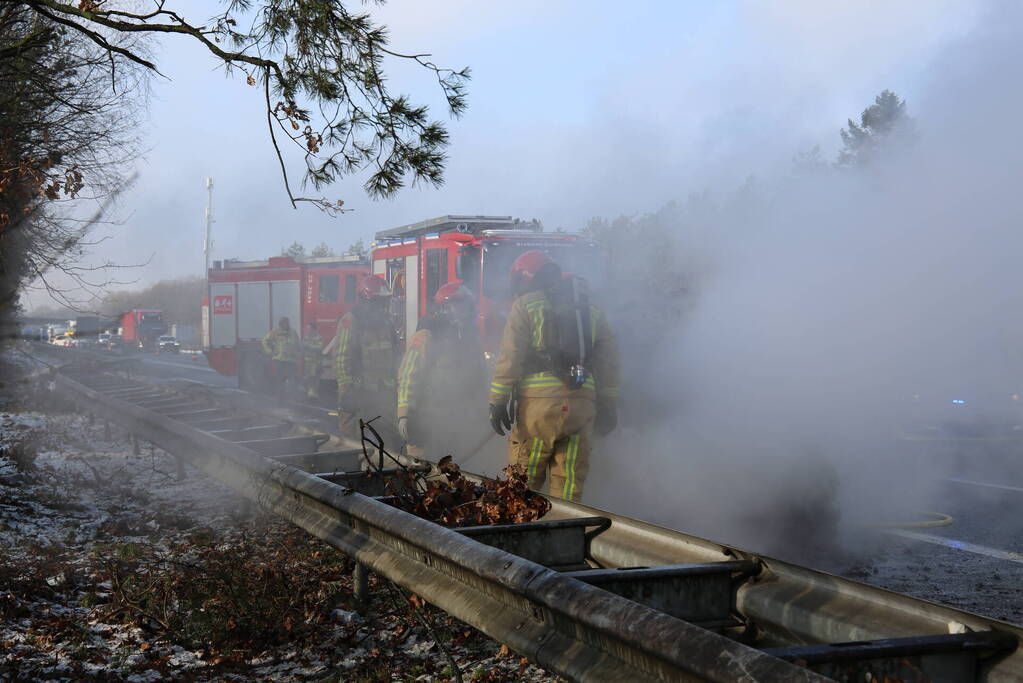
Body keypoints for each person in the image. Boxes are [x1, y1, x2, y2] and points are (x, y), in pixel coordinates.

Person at [487, 251, 620, 502]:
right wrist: (609, 406)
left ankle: (520, 526)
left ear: (524, 279)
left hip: (539, 410)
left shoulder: (525, 305)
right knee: (568, 487)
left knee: (522, 485)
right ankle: (564, 523)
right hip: (581, 407)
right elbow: (609, 364)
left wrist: (498, 401)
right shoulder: (591, 311)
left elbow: (510, 356)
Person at [396, 281, 487, 462]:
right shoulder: (426, 336)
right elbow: (407, 377)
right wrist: (404, 415)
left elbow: (478, 376)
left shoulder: (470, 338)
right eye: (458, 306)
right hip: (426, 418)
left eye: (465, 306)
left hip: (455, 419)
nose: (464, 311)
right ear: (444, 308)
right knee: (423, 468)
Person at [334, 274, 400, 441]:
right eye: (379, 302)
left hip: (383, 392)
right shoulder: (350, 321)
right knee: (353, 439)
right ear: (367, 301)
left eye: (385, 302)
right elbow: (342, 358)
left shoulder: (387, 323)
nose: (383, 307)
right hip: (359, 390)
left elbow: (396, 356)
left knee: (387, 438)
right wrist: (346, 389)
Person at [261, 316, 301, 397]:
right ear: (280, 324)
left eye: (285, 323)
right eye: (282, 324)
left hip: (291, 360)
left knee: (292, 380)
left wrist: (298, 355)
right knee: (280, 379)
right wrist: (269, 351)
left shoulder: (293, 332)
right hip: (279, 360)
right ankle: (280, 397)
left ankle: (292, 397)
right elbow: (265, 341)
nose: (284, 325)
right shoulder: (275, 332)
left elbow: (298, 345)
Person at [303, 322, 324, 399]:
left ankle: (315, 393)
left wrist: (309, 347)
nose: (308, 331)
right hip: (308, 361)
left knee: (315, 377)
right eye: (307, 329)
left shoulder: (319, 338)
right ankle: (310, 392)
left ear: (314, 330)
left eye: (309, 329)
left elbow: (319, 348)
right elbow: (303, 347)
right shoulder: (306, 338)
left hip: (316, 362)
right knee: (308, 377)